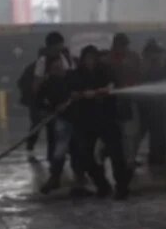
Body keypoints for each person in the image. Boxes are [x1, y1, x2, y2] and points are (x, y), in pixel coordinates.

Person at [69, 45, 131, 200]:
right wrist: (80, 94)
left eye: (92, 58)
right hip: (86, 121)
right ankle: (102, 185)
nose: (90, 62)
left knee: (117, 155)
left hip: (107, 118)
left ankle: (122, 188)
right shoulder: (77, 74)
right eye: (87, 58)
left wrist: (99, 92)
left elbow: (113, 86)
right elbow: (71, 91)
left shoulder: (106, 71)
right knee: (86, 157)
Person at [37, 54, 74, 194]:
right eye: (55, 68)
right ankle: (55, 177)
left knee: (78, 151)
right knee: (59, 149)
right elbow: (39, 102)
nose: (58, 70)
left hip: (76, 120)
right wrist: (49, 110)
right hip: (61, 121)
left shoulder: (71, 79)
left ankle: (79, 180)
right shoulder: (47, 84)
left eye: (60, 67)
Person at [105, 33, 143, 166]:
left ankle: (129, 158)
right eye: (122, 46)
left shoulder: (133, 57)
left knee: (132, 132)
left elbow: (140, 74)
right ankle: (122, 158)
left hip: (130, 99)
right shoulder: (108, 60)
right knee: (119, 133)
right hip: (114, 101)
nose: (124, 49)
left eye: (126, 46)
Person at [135, 39, 166, 169]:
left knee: (158, 131)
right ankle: (158, 156)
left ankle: (158, 156)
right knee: (156, 131)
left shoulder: (154, 65)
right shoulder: (150, 65)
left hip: (156, 104)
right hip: (151, 104)